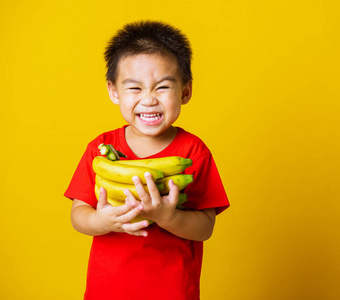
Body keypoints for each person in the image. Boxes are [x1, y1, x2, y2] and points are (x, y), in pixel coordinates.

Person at [64, 20, 229, 300]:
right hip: (107, 291)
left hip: (173, 290)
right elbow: (78, 215)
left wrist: (169, 217)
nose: (149, 100)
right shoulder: (101, 149)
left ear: (185, 91)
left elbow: (205, 227)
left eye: (162, 87)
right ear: (114, 91)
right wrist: (102, 221)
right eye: (135, 88)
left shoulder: (193, 153)